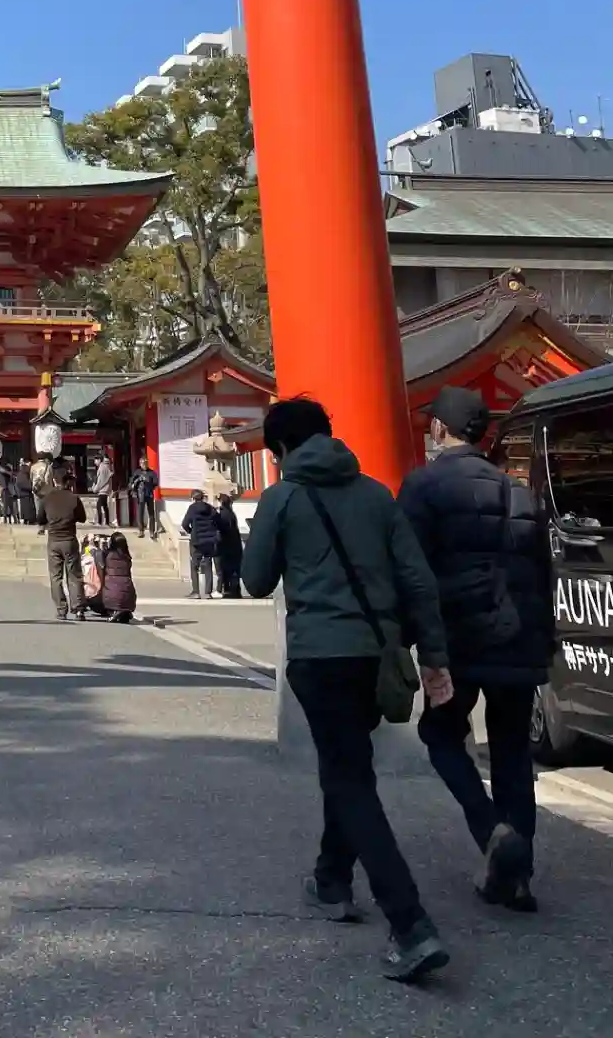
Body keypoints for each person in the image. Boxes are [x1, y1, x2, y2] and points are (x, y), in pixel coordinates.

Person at [242, 397, 454, 985]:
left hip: (319, 655)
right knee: (349, 766)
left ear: (281, 449)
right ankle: (332, 878)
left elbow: (255, 581)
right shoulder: (376, 495)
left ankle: (410, 924)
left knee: (350, 780)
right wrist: (434, 657)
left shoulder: (282, 498)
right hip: (377, 656)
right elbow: (417, 580)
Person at [398, 386, 555, 913]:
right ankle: (518, 877)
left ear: (439, 429)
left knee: (441, 733)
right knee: (512, 750)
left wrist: (407, 638)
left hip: (457, 638)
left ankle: (492, 832)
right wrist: (545, 642)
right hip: (519, 636)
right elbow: (544, 575)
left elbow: (410, 570)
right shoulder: (519, 492)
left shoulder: (424, 486)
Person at [37, 462, 87, 621]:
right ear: (67, 482)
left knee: (55, 576)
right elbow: (82, 518)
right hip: (69, 539)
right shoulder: (74, 498)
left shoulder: (46, 499)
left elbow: (40, 519)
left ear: (54, 481)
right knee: (74, 575)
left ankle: (61, 609)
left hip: (54, 540)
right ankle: (78, 609)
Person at [88, 531, 137, 622]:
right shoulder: (127, 557)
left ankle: (115, 611)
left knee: (94, 603)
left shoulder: (107, 555)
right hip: (129, 596)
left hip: (111, 594)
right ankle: (124, 611)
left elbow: (96, 554)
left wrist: (92, 544)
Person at [181, 490, 222, 599]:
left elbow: (184, 524)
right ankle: (208, 592)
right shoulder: (210, 508)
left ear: (193, 498)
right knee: (208, 564)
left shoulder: (192, 508)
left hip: (197, 541)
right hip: (209, 540)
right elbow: (218, 521)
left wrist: (191, 532)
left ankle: (196, 592)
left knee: (194, 566)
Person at [216, 495, 244, 599]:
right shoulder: (231, 513)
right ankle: (235, 590)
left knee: (227, 569)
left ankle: (229, 590)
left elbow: (222, 529)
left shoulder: (222, 514)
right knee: (234, 569)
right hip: (235, 544)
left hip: (226, 545)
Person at [131, 456, 160, 538]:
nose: (144, 464)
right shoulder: (137, 472)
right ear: (140, 464)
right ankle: (141, 531)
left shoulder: (152, 473)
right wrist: (138, 481)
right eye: (143, 463)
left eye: (146, 463)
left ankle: (151, 531)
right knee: (140, 513)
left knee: (151, 514)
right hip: (140, 495)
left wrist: (148, 482)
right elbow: (132, 483)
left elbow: (155, 483)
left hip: (149, 495)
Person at [93, 449, 116, 526]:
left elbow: (101, 481)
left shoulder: (102, 468)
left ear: (99, 460)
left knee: (99, 505)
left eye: (95, 460)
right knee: (104, 506)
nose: (95, 462)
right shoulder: (106, 467)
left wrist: (95, 488)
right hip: (106, 489)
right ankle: (106, 522)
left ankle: (100, 522)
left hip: (103, 490)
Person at [14, 459, 37, 525]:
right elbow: (23, 483)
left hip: (23, 493)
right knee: (28, 508)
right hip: (26, 493)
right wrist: (31, 486)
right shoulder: (24, 472)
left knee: (25, 508)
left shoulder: (22, 472)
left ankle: (26, 520)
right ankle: (30, 520)